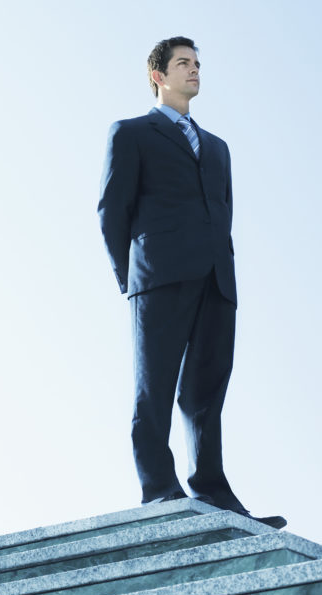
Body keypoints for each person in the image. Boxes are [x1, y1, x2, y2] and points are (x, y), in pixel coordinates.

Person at [97, 36, 286, 529]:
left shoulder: (219, 148)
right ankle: (159, 490)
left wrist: (224, 271)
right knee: (153, 387)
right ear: (158, 75)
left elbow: (221, 214)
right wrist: (132, 277)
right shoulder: (131, 133)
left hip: (217, 281)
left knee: (206, 393)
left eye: (198, 63)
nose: (195, 70)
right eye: (184, 63)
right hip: (157, 277)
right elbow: (111, 212)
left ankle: (215, 495)